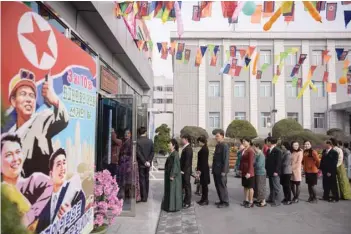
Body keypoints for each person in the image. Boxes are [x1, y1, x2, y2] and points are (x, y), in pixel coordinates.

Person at [7, 70, 69, 177]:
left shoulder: (41, 119)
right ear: (13, 100)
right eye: (23, 94)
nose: (29, 100)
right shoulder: (9, 136)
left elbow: (63, 119)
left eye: (32, 95)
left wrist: (54, 99)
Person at [1, 133, 53, 231]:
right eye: (9, 155)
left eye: (18, 152)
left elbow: (50, 184)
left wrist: (29, 216)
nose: (16, 159)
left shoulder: (34, 181)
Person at [36, 148, 86, 233]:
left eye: (64, 163)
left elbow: (81, 222)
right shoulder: (44, 199)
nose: (63, 167)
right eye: (58, 164)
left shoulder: (76, 193)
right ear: (51, 173)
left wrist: (71, 215)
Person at [119, 129, 141, 202]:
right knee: (125, 182)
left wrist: (130, 166)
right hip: (124, 164)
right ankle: (126, 197)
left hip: (129, 165)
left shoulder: (131, 143)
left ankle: (131, 198)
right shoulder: (123, 142)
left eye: (128, 133)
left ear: (130, 134)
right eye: (125, 133)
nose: (126, 135)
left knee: (130, 182)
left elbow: (132, 155)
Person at [162, 139, 182, 212]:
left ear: (173, 145)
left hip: (173, 176)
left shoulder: (175, 154)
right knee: (170, 191)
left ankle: (172, 207)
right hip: (169, 174)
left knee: (173, 191)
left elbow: (175, 165)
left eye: (169, 143)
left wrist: (172, 175)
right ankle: (169, 206)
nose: (168, 145)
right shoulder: (172, 153)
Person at [212, 130, 229, 208]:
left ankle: (225, 202)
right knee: (217, 185)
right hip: (216, 169)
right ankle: (221, 200)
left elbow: (225, 159)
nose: (216, 137)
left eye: (217, 136)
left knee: (222, 185)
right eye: (215, 136)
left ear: (222, 136)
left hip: (221, 170)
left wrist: (224, 171)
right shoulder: (218, 145)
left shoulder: (224, 146)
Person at [136, 127, 154, 202]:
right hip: (148, 163)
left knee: (142, 179)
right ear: (145, 132)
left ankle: (144, 196)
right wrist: (149, 161)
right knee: (147, 179)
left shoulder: (137, 141)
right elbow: (152, 152)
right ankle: (146, 195)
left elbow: (138, 153)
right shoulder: (150, 141)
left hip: (141, 163)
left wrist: (144, 161)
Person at [265, 137, 283, 207]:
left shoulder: (278, 151)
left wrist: (276, 171)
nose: (266, 143)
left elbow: (279, 162)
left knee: (277, 187)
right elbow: (268, 161)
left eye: (267, 141)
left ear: (270, 142)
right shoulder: (268, 150)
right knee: (271, 186)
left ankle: (277, 201)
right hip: (270, 171)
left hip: (275, 172)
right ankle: (271, 198)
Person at [239, 138, 255, 208]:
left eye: (245, 141)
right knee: (245, 186)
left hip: (249, 171)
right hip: (243, 171)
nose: (243, 142)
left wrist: (249, 172)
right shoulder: (243, 150)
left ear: (249, 142)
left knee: (250, 187)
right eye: (243, 141)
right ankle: (246, 200)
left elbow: (251, 162)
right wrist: (240, 169)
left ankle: (251, 202)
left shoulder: (250, 150)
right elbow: (241, 161)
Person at [196, 136, 210, 206]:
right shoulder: (204, 148)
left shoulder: (204, 149)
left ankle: (205, 200)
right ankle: (203, 199)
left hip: (204, 170)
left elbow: (203, 162)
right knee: (203, 185)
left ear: (201, 142)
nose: (198, 143)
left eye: (198, 142)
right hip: (203, 169)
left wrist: (200, 170)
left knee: (204, 186)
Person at [252, 142, 266, 207]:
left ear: (257, 147)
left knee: (261, 187)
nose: (253, 148)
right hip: (257, 173)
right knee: (257, 187)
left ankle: (263, 201)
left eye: (254, 146)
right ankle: (259, 199)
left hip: (261, 173)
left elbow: (259, 165)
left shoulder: (261, 155)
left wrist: (253, 165)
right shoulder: (257, 154)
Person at [180, 134, 193, 208]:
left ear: (186, 139)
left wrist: (183, 171)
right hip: (184, 171)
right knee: (184, 186)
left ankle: (188, 202)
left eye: (183, 139)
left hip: (186, 171)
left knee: (187, 186)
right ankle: (185, 200)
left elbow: (187, 162)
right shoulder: (185, 148)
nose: (182, 140)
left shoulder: (188, 148)